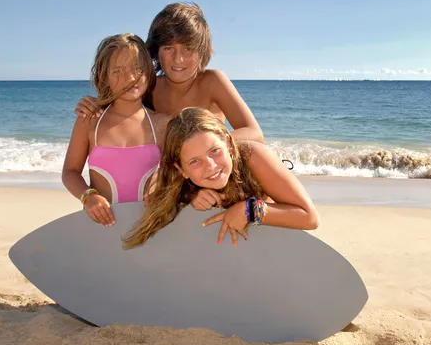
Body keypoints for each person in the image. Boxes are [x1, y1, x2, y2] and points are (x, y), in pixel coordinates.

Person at [74, 2, 265, 211]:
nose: (178, 59)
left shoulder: (213, 81)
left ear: (201, 51)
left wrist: (201, 150)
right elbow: (125, 105)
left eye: (188, 48)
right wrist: (96, 103)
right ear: (155, 53)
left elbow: (254, 133)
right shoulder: (152, 88)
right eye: (168, 48)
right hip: (181, 182)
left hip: (213, 175)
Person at [121, 107, 319, 250]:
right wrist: (189, 198)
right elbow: (151, 199)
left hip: (265, 244)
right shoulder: (175, 175)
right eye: (195, 162)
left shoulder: (254, 156)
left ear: (229, 145)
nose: (211, 166)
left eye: (215, 151)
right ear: (181, 170)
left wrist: (249, 209)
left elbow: (309, 217)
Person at [62, 33, 169, 228]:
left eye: (137, 68)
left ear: (148, 72)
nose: (129, 78)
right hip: (103, 229)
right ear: (105, 76)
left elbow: (179, 172)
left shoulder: (163, 124)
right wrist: (88, 196)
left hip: (151, 227)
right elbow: (70, 171)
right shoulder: (89, 121)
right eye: (118, 71)